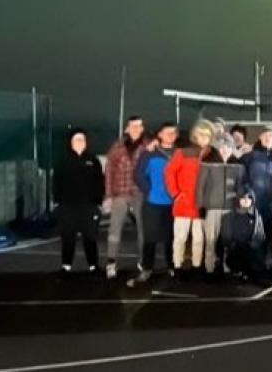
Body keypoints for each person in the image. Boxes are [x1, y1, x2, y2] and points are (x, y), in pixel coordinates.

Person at [128, 122, 179, 286]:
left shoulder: (180, 154)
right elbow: (138, 175)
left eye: (173, 132)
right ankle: (147, 268)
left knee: (171, 237)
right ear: (160, 135)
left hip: (174, 203)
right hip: (152, 202)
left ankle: (172, 266)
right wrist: (149, 190)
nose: (170, 135)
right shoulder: (150, 153)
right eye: (167, 132)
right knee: (150, 237)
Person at [165, 119, 212, 275]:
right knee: (180, 237)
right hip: (184, 203)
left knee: (199, 239)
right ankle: (177, 266)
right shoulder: (183, 152)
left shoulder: (211, 155)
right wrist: (176, 193)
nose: (203, 138)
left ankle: (197, 266)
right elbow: (169, 172)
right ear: (195, 135)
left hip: (202, 204)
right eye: (200, 134)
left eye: (206, 135)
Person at [54, 130, 104, 274]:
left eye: (82, 139)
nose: (80, 142)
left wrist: (98, 202)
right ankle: (66, 266)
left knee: (90, 237)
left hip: (89, 206)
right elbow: (56, 182)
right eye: (76, 139)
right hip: (67, 207)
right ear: (70, 142)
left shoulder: (93, 160)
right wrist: (58, 202)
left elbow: (99, 182)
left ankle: (93, 266)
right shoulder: (63, 160)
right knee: (68, 237)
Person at [196, 133, 245, 276]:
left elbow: (240, 187)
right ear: (217, 148)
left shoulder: (238, 166)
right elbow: (200, 187)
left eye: (228, 147)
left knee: (228, 241)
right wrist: (201, 207)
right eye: (222, 147)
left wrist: (240, 204)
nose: (225, 150)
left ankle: (227, 266)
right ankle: (209, 267)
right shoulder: (208, 164)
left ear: (232, 148)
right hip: (212, 208)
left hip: (230, 209)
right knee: (210, 241)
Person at [103, 116, 145, 279]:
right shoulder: (117, 147)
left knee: (143, 230)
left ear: (142, 128)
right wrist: (108, 195)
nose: (136, 129)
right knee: (114, 229)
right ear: (127, 128)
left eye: (139, 126)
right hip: (120, 193)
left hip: (140, 194)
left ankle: (143, 261)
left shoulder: (147, 147)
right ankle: (111, 263)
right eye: (133, 126)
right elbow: (109, 171)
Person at [219, 187, 270, 283]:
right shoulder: (229, 217)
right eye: (243, 198)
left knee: (256, 256)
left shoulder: (257, 216)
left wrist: (253, 245)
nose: (246, 200)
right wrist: (235, 245)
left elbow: (260, 236)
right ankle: (238, 272)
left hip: (251, 251)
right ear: (239, 199)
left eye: (249, 198)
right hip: (235, 251)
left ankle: (252, 273)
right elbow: (225, 239)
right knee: (238, 254)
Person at [242, 126, 272, 228]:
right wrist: (247, 194)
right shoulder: (249, 155)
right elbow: (243, 177)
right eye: (265, 135)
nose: (268, 138)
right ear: (260, 137)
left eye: (271, 136)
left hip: (271, 203)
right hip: (254, 201)